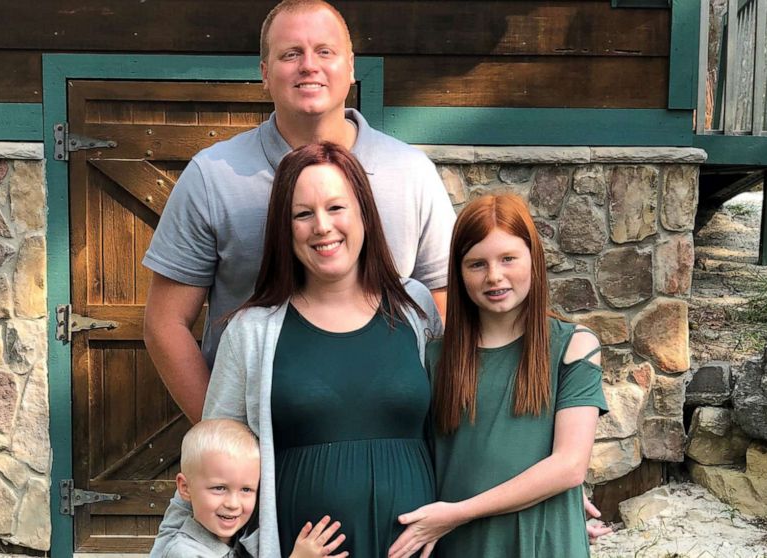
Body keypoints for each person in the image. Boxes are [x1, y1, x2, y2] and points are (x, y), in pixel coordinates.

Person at [142, 0, 454, 423]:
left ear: (351, 66)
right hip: (258, 445)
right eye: (291, 54)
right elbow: (166, 324)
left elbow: (445, 312)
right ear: (265, 72)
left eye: (325, 52)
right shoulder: (213, 177)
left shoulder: (410, 173)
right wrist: (224, 442)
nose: (309, 66)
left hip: (387, 438)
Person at [199, 142, 443, 557]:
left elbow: (469, 419)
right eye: (303, 213)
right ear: (285, 228)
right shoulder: (252, 331)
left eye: (336, 207)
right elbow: (212, 461)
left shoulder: (416, 309)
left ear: (364, 212)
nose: (322, 226)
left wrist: (542, 493)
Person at [388, 194, 609, 558]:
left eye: (508, 258)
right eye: (476, 264)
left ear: (533, 260)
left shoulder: (574, 346)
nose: (494, 276)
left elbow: (569, 466)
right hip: (462, 544)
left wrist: (458, 513)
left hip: (541, 541)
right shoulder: (435, 358)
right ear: (458, 273)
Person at [166, 419, 347, 558]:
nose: (233, 503)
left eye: (246, 490)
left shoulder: (240, 544)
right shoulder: (183, 552)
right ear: (185, 488)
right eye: (219, 488)